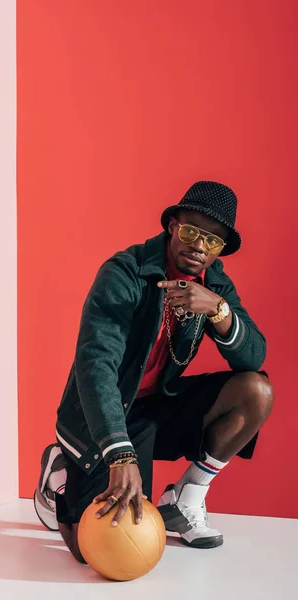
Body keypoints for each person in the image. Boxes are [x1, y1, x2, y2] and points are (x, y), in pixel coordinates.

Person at [34, 181, 273, 560]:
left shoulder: (214, 283)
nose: (199, 246)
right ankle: (61, 474)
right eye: (192, 231)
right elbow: (96, 367)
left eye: (212, 241)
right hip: (103, 414)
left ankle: (185, 498)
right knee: (96, 550)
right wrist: (120, 455)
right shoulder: (125, 272)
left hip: (157, 409)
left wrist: (219, 311)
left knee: (256, 391)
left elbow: (253, 357)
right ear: (172, 225)